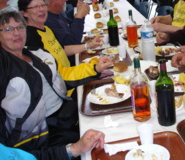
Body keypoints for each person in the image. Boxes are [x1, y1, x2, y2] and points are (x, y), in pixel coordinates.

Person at [0, 10, 109, 156]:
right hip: (39, 138)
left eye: (20, 27)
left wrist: (95, 68)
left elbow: (63, 77)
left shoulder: (36, 53)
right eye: (8, 29)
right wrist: (73, 149)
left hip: (65, 115)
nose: (16, 33)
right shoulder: (4, 67)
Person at [18, 0, 113, 87]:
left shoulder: (46, 29)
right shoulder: (32, 39)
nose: (41, 9)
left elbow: (61, 49)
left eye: (43, 5)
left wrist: (88, 45)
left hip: (71, 73)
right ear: (24, 13)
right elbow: (57, 76)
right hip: (63, 85)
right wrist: (95, 68)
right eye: (35, 7)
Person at [43, 0, 90, 65]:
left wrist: (79, 13)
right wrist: (79, 16)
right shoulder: (48, 21)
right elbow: (73, 42)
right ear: (53, 1)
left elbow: (72, 26)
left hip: (77, 55)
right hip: (71, 63)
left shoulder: (57, 13)